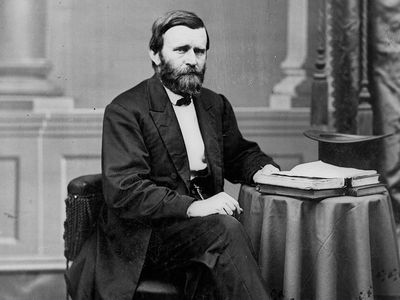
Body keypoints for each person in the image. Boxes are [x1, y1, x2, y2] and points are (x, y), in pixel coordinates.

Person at [66, 10, 279, 300]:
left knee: (232, 236)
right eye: (181, 50)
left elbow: (238, 154)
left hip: (197, 233)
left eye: (200, 51)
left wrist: (263, 169)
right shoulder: (126, 110)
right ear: (155, 54)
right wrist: (193, 207)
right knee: (225, 231)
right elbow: (125, 190)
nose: (193, 60)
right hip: (143, 241)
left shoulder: (214, 104)